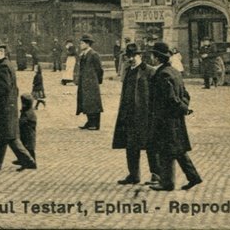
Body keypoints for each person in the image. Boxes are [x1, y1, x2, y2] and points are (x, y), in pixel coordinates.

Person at [147, 42, 202, 192]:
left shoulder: (162, 75)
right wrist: (184, 108)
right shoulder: (174, 72)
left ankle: (167, 183)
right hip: (176, 119)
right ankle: (193, 177)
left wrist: (182, 109)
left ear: (157, 58)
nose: (151, 58)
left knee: (166, 150)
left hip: (165, 119)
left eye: (153, 55)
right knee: (177, 150)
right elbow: (185, 95)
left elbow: (170, 98)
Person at [0, 39, 35, 171]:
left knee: (10, 137)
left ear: (1, 51)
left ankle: (28, 161)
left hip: (3, 107)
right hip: (5, 107)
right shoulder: (1, 64)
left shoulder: (4, 66)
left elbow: (3, 88)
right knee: (3, 135)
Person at [112, 42, 154, 185]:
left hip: (145, 115)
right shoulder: (129, 71)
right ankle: (133, 175)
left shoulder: (149, 71)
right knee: (131, 146)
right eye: (128, 56)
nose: (131, 59)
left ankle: (156, 174)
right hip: (129, 114)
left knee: (150, 146)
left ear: (140, 55)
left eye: (134, 56)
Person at [75, 34, 104, 130]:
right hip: (84, 82)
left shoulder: (93, 54)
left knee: (93, 103)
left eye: (82, 43)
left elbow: (99, 69)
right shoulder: (83, 54)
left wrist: (97, 81)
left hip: (92, 82)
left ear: (88, 44)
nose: (80, 45)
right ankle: (89, 121)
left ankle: (95, 124)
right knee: (86, 102)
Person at [18, 93, 37, 169]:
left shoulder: (27, 113)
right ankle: (27, 162)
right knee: (29, 148)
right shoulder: (29, 111)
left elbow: (22, 122)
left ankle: (29, 163)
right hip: (27, 133)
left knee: (29, 148)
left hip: (28, 134)